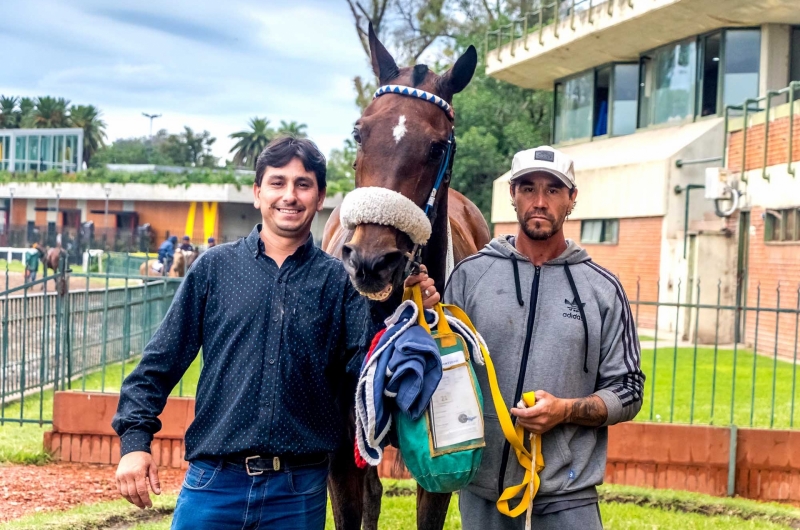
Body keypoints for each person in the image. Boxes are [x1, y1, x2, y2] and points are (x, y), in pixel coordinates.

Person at [112, 136, 439, 529]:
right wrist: (134, 444)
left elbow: (366, 374)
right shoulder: (214, 269)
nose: (290, 195)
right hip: (213, 484)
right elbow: (156, 366)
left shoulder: (340, 282)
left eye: (303, 185)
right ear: (257, 193)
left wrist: (406, 310)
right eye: (277, 182)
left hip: (297, 493)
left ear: (320, 199)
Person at [444, 146, 644, 529]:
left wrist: (565, 410)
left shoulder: (602, 289)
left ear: (572, 200)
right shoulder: (471, 277)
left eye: (553, 190)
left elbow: (629, 389)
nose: (539, 201)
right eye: (528, 188)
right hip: (483, 493)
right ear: (512, 195)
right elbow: (444, 373)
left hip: (568, 495)